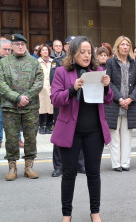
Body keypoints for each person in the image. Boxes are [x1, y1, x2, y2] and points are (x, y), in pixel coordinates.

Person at [50, 36, 113, 222]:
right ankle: (66, 215)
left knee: (93, 173)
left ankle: (95, 212)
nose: (86, 56)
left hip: (94, 131)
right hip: (71, 131)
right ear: (73, 54)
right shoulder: (62, 72)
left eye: (89, 52)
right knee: (69, 174)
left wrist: (107, 87)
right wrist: (72, 89)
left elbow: (108, 99)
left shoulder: (98, 70)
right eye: (82, 52)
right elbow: (55, 99)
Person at [0, 33, 44, 180]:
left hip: (30, 107)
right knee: (11, 137)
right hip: (11, 107)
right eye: (17, 44)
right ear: (12, 46)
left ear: (26, 46)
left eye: (22, 44)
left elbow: (39, 82)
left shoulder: (34, 62)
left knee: (30, 137)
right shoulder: (4, 63)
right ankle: (12, 167)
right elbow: (1, 83)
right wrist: (16, 97)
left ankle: (29, 166)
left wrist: (26, 97)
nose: (20, 46)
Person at [105, 36, 136, 172]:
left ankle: (125, 163)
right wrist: (120, 99)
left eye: (128, 44)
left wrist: (130, 99)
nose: (125, 47)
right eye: (123, 44)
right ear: (117, 46)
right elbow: (109, 82)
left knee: (127, 136)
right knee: (114, 136)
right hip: (114, 104)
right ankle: (116, 164)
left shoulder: (134, 63)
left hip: (130, 105)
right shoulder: (110, 63)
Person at [49, 35, 86, 178]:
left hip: (80, 104)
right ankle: (59, 166)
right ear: (66, 47)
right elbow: (55, 85)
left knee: (80, 133)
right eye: (70, 44)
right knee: (61, 135)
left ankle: (80, 163)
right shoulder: (58, 63)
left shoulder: (86, 66)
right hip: (63, 103)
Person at [0, 39, 25, 150]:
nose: (7, 52)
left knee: (15, 119)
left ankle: (18, 139)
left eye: (9, 50)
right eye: (5, 49)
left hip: (12, 96)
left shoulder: (15, 60)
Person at [37, 44, 54, 135]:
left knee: (50, 108)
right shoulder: (37, 62)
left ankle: (48, 126)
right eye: (43, 50)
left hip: (51, 87)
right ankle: (41, 126)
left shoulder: (53, 62)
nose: (45, 51)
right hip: (41, 88)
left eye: (46, 50)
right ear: (40, 52)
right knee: (42, 107)